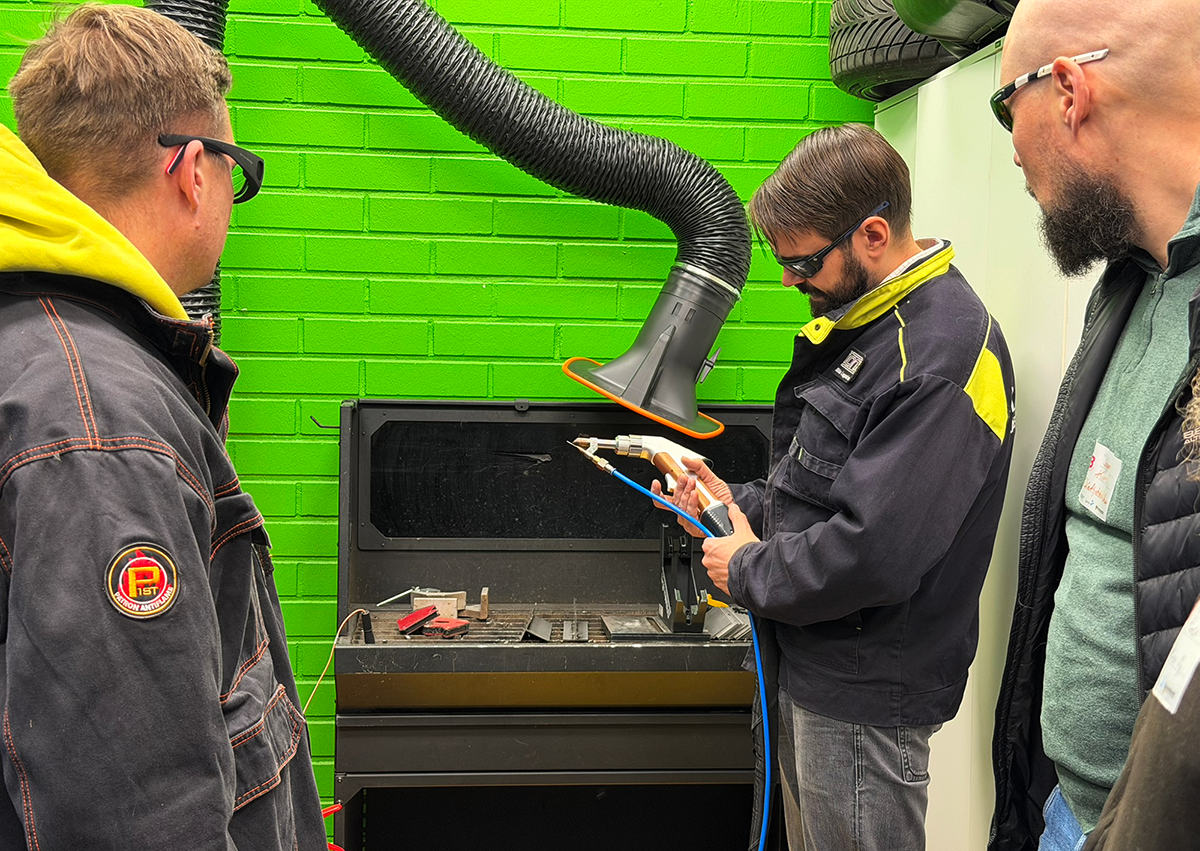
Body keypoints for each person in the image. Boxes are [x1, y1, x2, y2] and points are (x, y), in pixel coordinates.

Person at [0, 5, 326, 849]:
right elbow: (136, 813)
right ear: (191, 171)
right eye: (236, 171)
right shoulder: (96, 424)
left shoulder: (45, 349)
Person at [657, 123, 1016, 851]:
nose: (790, 282)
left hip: (863, 694)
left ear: (873, 235)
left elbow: (874, 551)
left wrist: (747, 567)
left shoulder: (939, 357)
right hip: (814, 665)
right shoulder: (871, 325)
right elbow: (822, 494)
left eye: (803, 263)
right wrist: (732, 503)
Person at [986, 1, 1200, 849]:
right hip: (1066, 810)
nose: (1011, 148)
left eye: (1006, 106)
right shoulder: (1127, 283)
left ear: (1069, 90)